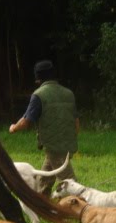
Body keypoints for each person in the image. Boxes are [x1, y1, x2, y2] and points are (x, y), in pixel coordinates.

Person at [9, 60, 78, 195]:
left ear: (37, 78)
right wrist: (70, 140)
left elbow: (25, 122)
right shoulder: (68, 93)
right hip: (67, 144)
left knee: (71, 184)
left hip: (54, 145)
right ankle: (42, 203)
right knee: (44, 180)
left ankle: (85, 207)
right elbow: (76, 122)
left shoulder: (39, 95)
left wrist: (13, 128)